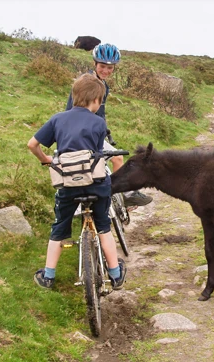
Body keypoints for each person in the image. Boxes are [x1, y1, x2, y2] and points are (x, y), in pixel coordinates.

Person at [28, 73, 126, 290]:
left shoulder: (57, 119)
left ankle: (48, 276)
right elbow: (98, 152)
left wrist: (45, 160)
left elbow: (32, 144)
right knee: (103, 226)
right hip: (97, 184)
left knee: (59, 227)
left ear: (73, 97)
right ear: (96, 101)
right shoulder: (99, 122)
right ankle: (116, 274)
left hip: (67, 185)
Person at [66, 43, 152, 208]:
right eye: (102, 66)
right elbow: (76, 110)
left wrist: (103, 130)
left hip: (90, 132)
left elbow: (99, 112)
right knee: (117, 158)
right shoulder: (89, 83)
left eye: (110, 68)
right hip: (82, 133)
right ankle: (124, 195)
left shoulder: (102, 84)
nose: (106, 71)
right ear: (95, 64)